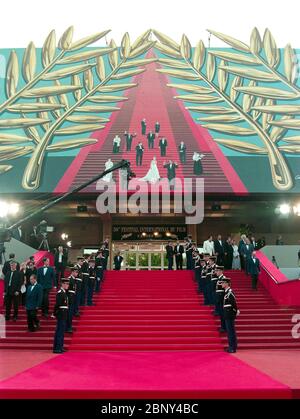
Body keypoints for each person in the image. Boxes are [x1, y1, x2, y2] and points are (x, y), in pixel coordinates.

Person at [222, 278, 240, 353]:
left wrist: (234, 313)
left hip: (229, 315)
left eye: (223, 283)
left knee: (230, 331)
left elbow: (234, 304)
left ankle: (232, 347)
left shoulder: (229, 292)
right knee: (230, 331)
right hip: (227, 314)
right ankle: (232, 346)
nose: (222, 284)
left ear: (227, 284)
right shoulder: (226, 292)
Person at [53, 278, 69, 354]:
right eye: (66, 284)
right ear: (62, 284)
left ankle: (60, 346)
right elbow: (57, 305)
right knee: (59, 331)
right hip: (61, 314)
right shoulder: (60, 293)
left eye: (68, 284)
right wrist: (54, 313)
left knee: (62, 331)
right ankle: (57, 347)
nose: (67, 285)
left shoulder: (64, 293)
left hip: (64, 314)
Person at [214, 266, 226, 332]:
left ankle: (224, 327)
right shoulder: (219, 278)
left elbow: (224, 290)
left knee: (223, 314)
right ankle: (222, 326)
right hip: (219, 298)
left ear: (221, 271)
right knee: (221, 314)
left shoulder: (223, 278)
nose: (216, 272)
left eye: (217, 271)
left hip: (222, 298)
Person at [66, 267, 78, 332]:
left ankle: (69, 327)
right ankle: (68, 327)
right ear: (72, 272)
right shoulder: (69, 279)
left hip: (73, 298)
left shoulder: (73, 279)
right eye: (76, 272)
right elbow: (66, 290)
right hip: (69, 298)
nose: (77, 273)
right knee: (69, 314)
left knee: (70, 314)